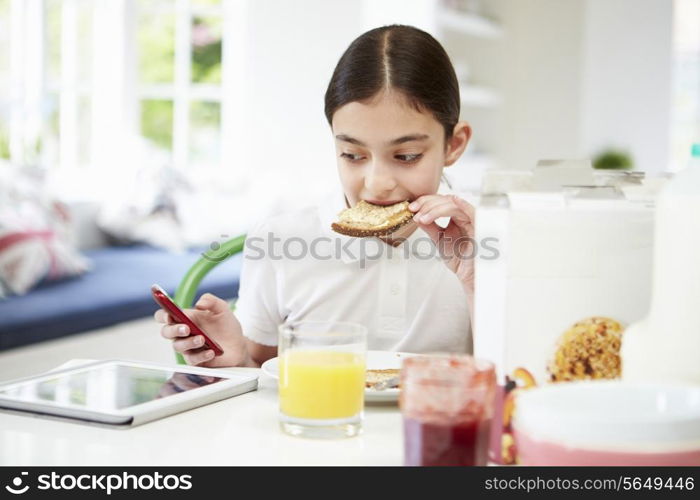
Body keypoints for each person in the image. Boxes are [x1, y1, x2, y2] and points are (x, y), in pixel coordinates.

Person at [155, 25, 476, 368]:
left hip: (439, 418)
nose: (377, 183)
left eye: (407, 156)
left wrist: (475, 280)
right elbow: (264, 369)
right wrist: (236, 360)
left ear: (453, 145)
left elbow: (521, 376)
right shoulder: (279, 239)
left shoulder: (488, 238)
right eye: (353, 155)